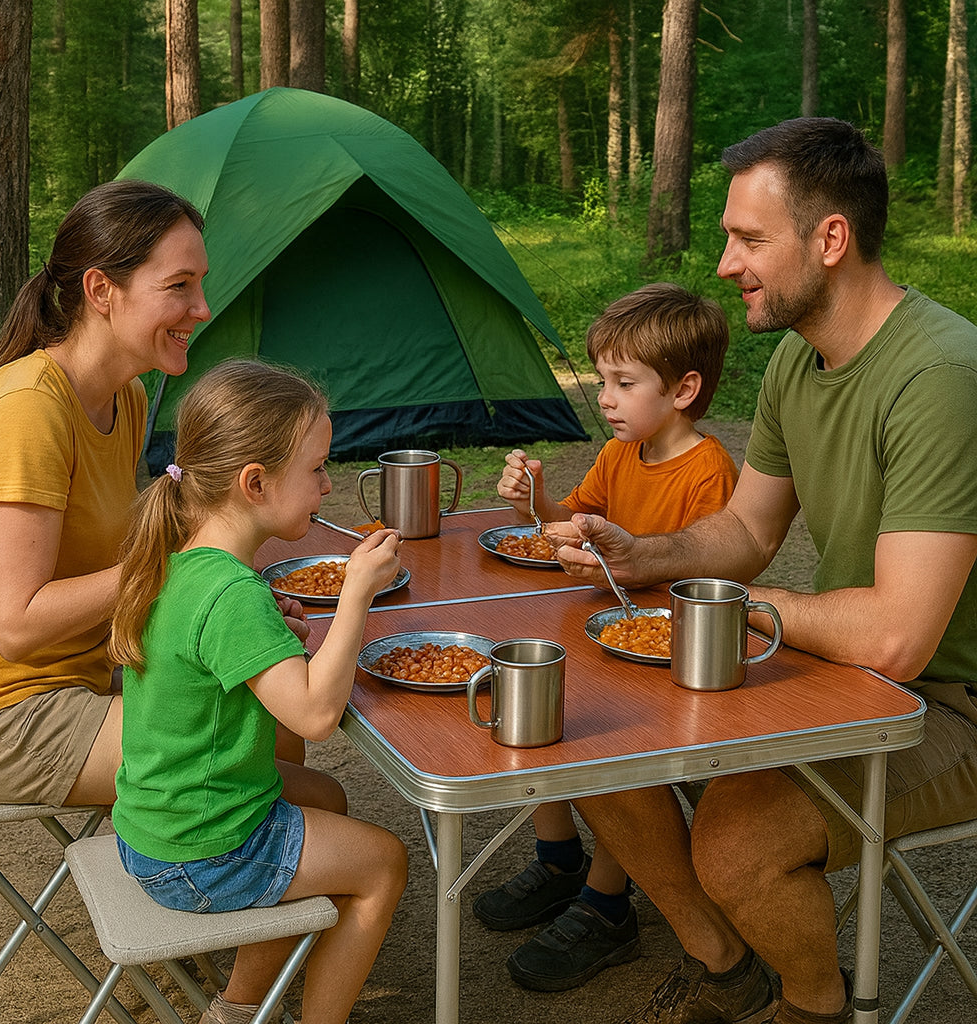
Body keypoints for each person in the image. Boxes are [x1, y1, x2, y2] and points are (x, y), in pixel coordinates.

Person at [547, 117, 977, 1024]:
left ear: (831, 240)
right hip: (849, 671)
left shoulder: (941, 376)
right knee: (584, 736)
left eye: (748, 239)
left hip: (948, 702)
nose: (724, 264)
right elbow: (744, 526)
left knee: (737, 843)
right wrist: (644, 554)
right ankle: (724, 959)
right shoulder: (796, 358)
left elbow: (898, 636)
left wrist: (746, 606)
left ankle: (814, 1006)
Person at [109, 359, 409, 1024]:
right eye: (318, 469)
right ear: (255, 483)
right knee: (384, 862)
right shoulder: (233, 594)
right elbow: (316, 715)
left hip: (150, 826)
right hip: (202, 850)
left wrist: (275, 637)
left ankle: (240, 1007)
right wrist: (357, 593)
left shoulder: (182, 559)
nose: (328, 486)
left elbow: (227, 655)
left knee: (325, 797)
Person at [473, 283, 739, 991]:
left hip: (663, 652)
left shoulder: (707, 471)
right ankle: (559, 859)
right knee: (541, 700)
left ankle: (606, 901)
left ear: (684, 388)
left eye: (624, 383)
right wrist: (536, 500)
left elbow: (705, 569)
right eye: (603, 382)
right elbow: (575, 518)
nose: (607, 400)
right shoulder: (625, 454)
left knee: (615, 757)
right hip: (603, 632)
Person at [0, 180, 221, 807]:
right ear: (102, 290)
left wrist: (225, 599)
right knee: (271, 765)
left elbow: (113, 558)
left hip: (86, 677)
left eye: (200, 283)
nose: (202, 307)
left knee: (269, 697)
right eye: (179, 286)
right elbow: (17, 626)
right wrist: (171, 573)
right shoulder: (28, 410)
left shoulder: (122, 396)